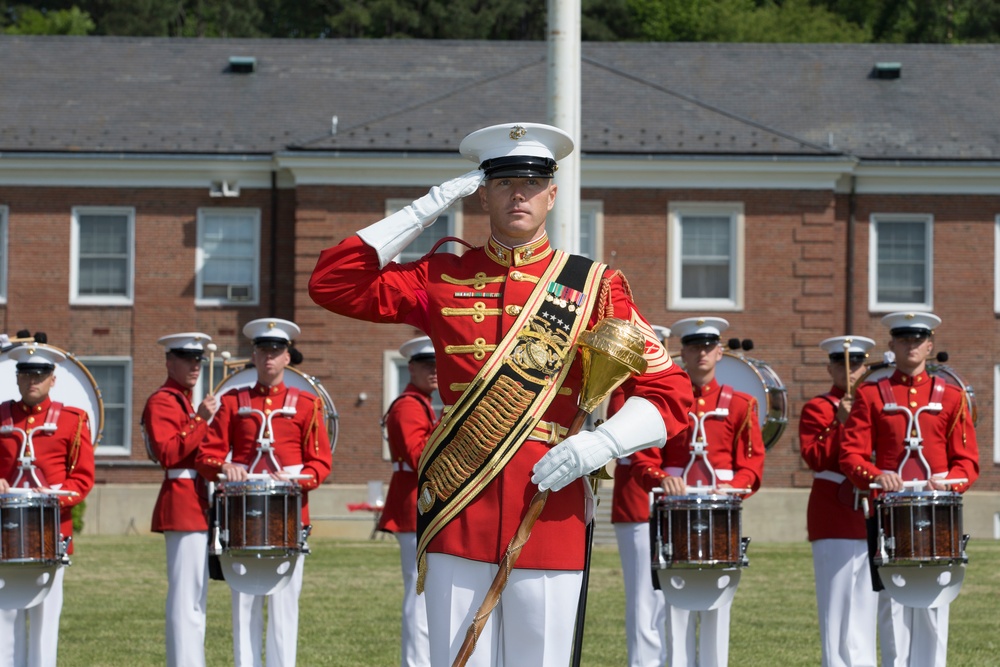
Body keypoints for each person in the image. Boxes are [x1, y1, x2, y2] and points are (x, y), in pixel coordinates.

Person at [308, 121, 693, 666]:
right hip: (458, 499)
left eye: (533, 184)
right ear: (482, 191)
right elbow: (334, 282)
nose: (519, 194)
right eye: (504, 182)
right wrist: (430, 205)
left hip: (550, 496)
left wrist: (602, 445)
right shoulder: (441, 274)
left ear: (552, 195)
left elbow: (669, 391)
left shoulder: (594, 286)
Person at [839, 312, 978, 667]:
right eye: (903, 340)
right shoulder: (871, 395)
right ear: (892, 346)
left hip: (938, 510)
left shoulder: (952, 396)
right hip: (891, 511)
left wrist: (949, 482)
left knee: (935, 602)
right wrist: (874, 475)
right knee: (894, 605)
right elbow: (850, 454)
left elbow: (967, 461)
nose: (911, 346)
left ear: (930, 346)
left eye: (918, 340)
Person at [195, 318, 332, 667]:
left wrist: (295, 479)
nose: (268, 357)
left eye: (276, 351)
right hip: (241, 517)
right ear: (253, 357)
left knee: (285, 606)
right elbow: (206, 456)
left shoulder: (307, 404)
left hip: (289, 516)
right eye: (262, 350)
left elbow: (320, 464)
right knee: (243, 604)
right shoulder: (231, 401)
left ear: (288, 357)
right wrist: (225, 467)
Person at [629, 317, 765, 667]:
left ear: (720, 352)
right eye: (693, 347)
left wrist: (735, 487)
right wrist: (660, 478)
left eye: (708, 347)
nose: (701, 353)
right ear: (683, 354)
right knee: (675, 602)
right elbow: (644, 457)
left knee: (719, 600)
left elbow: (751, 464)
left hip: (722, 511)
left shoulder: (742, 404)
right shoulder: (664, 402)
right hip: (674, 510)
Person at [0, 343, 95, 667]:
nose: (32, 381)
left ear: (53, 379)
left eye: (40, 375)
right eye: (25, 374)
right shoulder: (0, 415)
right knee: (4, 618)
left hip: (51, 531)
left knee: (45, 621)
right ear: (17, 378)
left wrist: (50, 498)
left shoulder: (73, 420)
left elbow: (81, 480)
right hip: (5, 533)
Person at [800, 335, 878, 667]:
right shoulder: (818, 407)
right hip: (834, 509)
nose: (851, 371)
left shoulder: (874, 404)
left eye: (858, 364)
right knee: (836, 603)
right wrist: (840, 424)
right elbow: (816, 457)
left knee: (867, 600)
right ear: (830, 367)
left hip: (870, 509)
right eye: (842, 364)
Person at [143, 332, 219, 667]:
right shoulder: (163, 401)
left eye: (198, 360)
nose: (195, 366)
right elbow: (168, 452)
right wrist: (201, 419)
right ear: (169, 361)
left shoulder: (183, 401)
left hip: (197, 501)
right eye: (187, 359)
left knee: (196, 597)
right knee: (186, 598)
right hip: (182, 501)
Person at [611, 324, 670, 667]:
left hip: (666, 500)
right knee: (644, 596)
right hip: (637, 502)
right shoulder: (625, 390)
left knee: (666, 594)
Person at [379, 336, 437, 666]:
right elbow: (420, 457)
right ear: (410, 368)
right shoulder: (407, 405)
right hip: (413, 503)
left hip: (420, 503)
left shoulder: (422, 402)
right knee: (419, 594)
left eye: (436, 365)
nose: (434, 371)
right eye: (426, 365)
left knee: (424, 591)